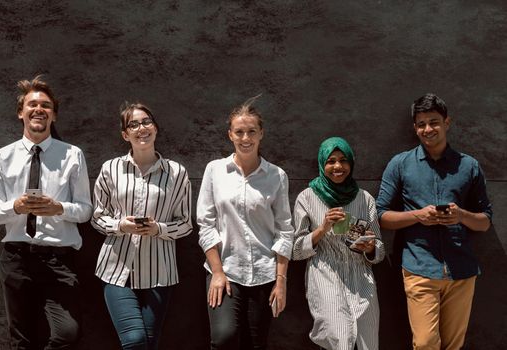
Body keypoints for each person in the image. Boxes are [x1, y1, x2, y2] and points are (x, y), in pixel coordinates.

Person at [376, 93, 493, 350]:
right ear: (414, 127)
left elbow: (485, 221)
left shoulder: (469, 166)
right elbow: (381, 215)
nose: (427, 129)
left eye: (434, 122)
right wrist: (419, 215)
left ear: (446, 122)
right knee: (426, 343)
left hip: (461, 270)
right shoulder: (400, 164)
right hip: (419, 268)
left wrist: (461, 215)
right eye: (421, 124)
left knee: (453, 346)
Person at [0, 75, 92, 349]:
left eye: (45, 105)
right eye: (32, 104)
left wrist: (58, 208)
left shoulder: (72, 155)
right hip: (16, 258)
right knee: (21, 340)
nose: (39, 109)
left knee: (68, 333)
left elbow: (85, 211)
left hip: (59, 260)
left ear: (53, 115)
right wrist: (16, 206)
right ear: (21, 112)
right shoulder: (3, 156)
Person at [91, 102, 192, 349]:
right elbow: (97, 217)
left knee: (149, 342)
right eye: (133, 124)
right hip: (116, 270)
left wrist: (160, 229)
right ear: (125, 134)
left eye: (146, 122)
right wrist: (120, 225)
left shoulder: (176, 173)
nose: (141, 128)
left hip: (160, 271)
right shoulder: (110, 168)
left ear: (155, 128)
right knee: (135, 340)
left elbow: (186, 223)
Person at [196, 97, 294, 350]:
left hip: (264, 274)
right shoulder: (215, 171)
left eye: (251, 131)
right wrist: (217, 272)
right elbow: (205, 224)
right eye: (239, 132)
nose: (245, 138)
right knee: (224, 337)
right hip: (225, 270)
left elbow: (285, 230)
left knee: (256, 343)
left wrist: (280, 281)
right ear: (230, 135)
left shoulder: (276, 176)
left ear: (261, 133)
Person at [292, 137, 385, 350]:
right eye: (331, 161)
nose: (338, 166)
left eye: (343, 160)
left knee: (368, 343)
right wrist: (322, 228)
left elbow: (379, 250)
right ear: (322, 164)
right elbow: (296, 250)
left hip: (361, 279)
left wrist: (370, 247)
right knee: (340, 339)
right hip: (326, 275)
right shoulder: (307, 198)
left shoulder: (365, 199)